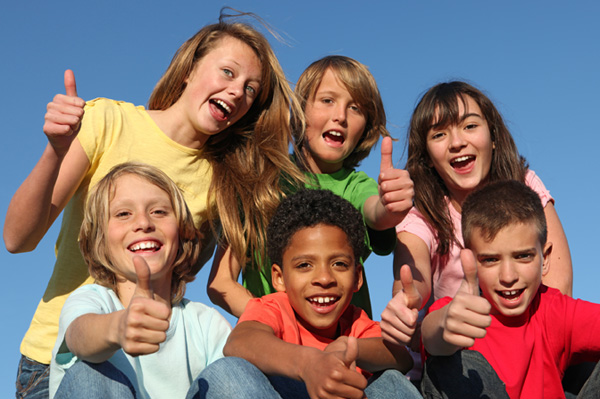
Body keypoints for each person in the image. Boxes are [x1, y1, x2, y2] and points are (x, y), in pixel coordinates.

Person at [5, 9, 303, 398]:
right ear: (189, 69)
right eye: (228, 73)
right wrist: (54, 152)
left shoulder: (224, 183)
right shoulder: (108, 122)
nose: (236, 91)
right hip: (59, 361)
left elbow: (194, 281)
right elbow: (18, 239)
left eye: (250, 89)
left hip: (155, 368)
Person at [380, 81, 572, 382]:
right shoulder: (424, 217)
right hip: (460, 362)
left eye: (470, 126)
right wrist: (406, 304)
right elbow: (412, 283)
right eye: (439, 134)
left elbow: (559, 288)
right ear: (428, 156)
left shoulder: (525, 186)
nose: (457, 142)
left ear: (493, 137)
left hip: (533, 351)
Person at [208, 55, 413, 318]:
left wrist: (389, 207)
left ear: (365, 128)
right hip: (272, 350)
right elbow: (220, 282)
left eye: (356, 108)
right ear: (300, 108)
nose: (340, 116)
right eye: (327, 101)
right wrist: (274, 325)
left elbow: (375, 211)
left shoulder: (357, 186)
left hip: (344, 350)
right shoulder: (258, 181)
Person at [196, 189, 420, 399]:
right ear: (279, 278)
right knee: (226, 373)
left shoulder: (355, 324)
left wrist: (350, 348)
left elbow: (400, 357)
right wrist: (308, 364)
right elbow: (240, 341)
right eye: (304, 265)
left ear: (357, 277)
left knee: (390, 380)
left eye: (339, 264)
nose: (324, 278)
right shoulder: (274, 307)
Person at [49, 162, 231, 399]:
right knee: (89, 372)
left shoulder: (205, 323)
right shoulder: (92, 302)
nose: (144, 223)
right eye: (123, 214)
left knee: (232, 370)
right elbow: (78, 337)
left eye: (159, 212)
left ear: (183, 231)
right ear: (99, 240)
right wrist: (118, 327)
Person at [420, 180, 600, 399]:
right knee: (455, 366)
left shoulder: (551, 310)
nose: (508, 277)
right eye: (490, 260)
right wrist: (443, 325)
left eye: (523, 256)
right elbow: (432, 335)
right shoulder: (459, 314)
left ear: (545, 258)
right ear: (470, 260)